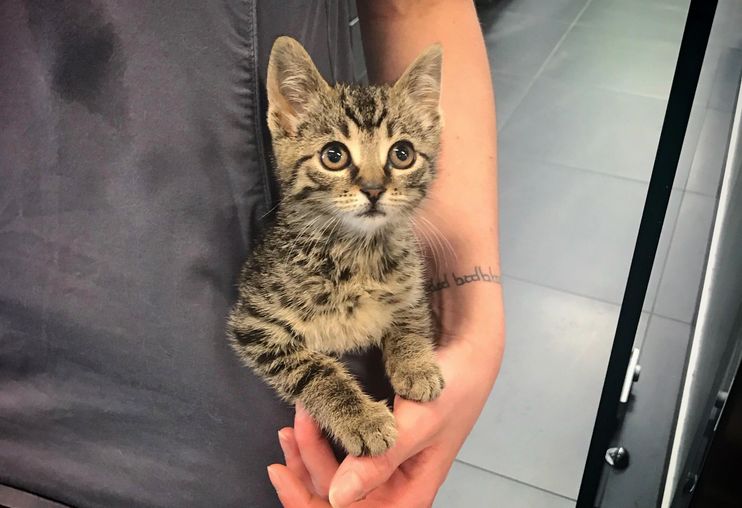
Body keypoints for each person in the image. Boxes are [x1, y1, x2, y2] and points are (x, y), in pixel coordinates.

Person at [0, 1, 502, 507]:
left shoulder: (398, 251)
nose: (372, 183)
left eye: (399, 155)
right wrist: (333, 391)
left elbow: (417, 6)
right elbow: (255, 330)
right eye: (336, 155)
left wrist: (469, 324)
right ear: (287, 124)